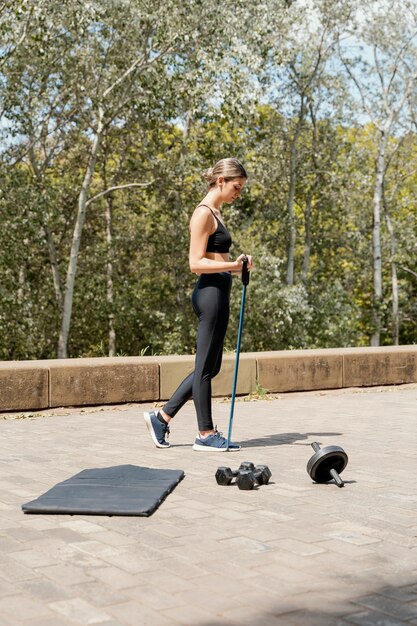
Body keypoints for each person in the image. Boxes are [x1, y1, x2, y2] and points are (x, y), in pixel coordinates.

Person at [144, 157, 253, 451]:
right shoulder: (203, 214)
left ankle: (162, 417)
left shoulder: (217, 213)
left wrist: (237, 265)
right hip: (209, 293)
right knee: (204, 367)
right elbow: (195, 263)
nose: (238, 193)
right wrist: (232, 264)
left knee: (211, 366)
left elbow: (216, 259)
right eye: (236, 187)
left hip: (220, 290)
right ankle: (205, 434)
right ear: (221, 181)